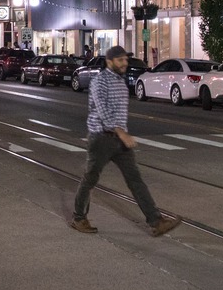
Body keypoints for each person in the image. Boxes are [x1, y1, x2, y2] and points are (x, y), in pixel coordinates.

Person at [70, 45, 180, 237]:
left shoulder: (120, 82)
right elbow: (103, 112)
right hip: (101, 139)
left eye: (125, 60)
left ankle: (156, 221)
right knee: (90, 179)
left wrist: (123, 134)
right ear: (109, 61)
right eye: (120, 60)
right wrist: (122, 133)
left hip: (120, 141)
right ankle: (79, 218)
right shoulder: (99, 81)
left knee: (135, 180)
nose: (124, 63)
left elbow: (119, 113)